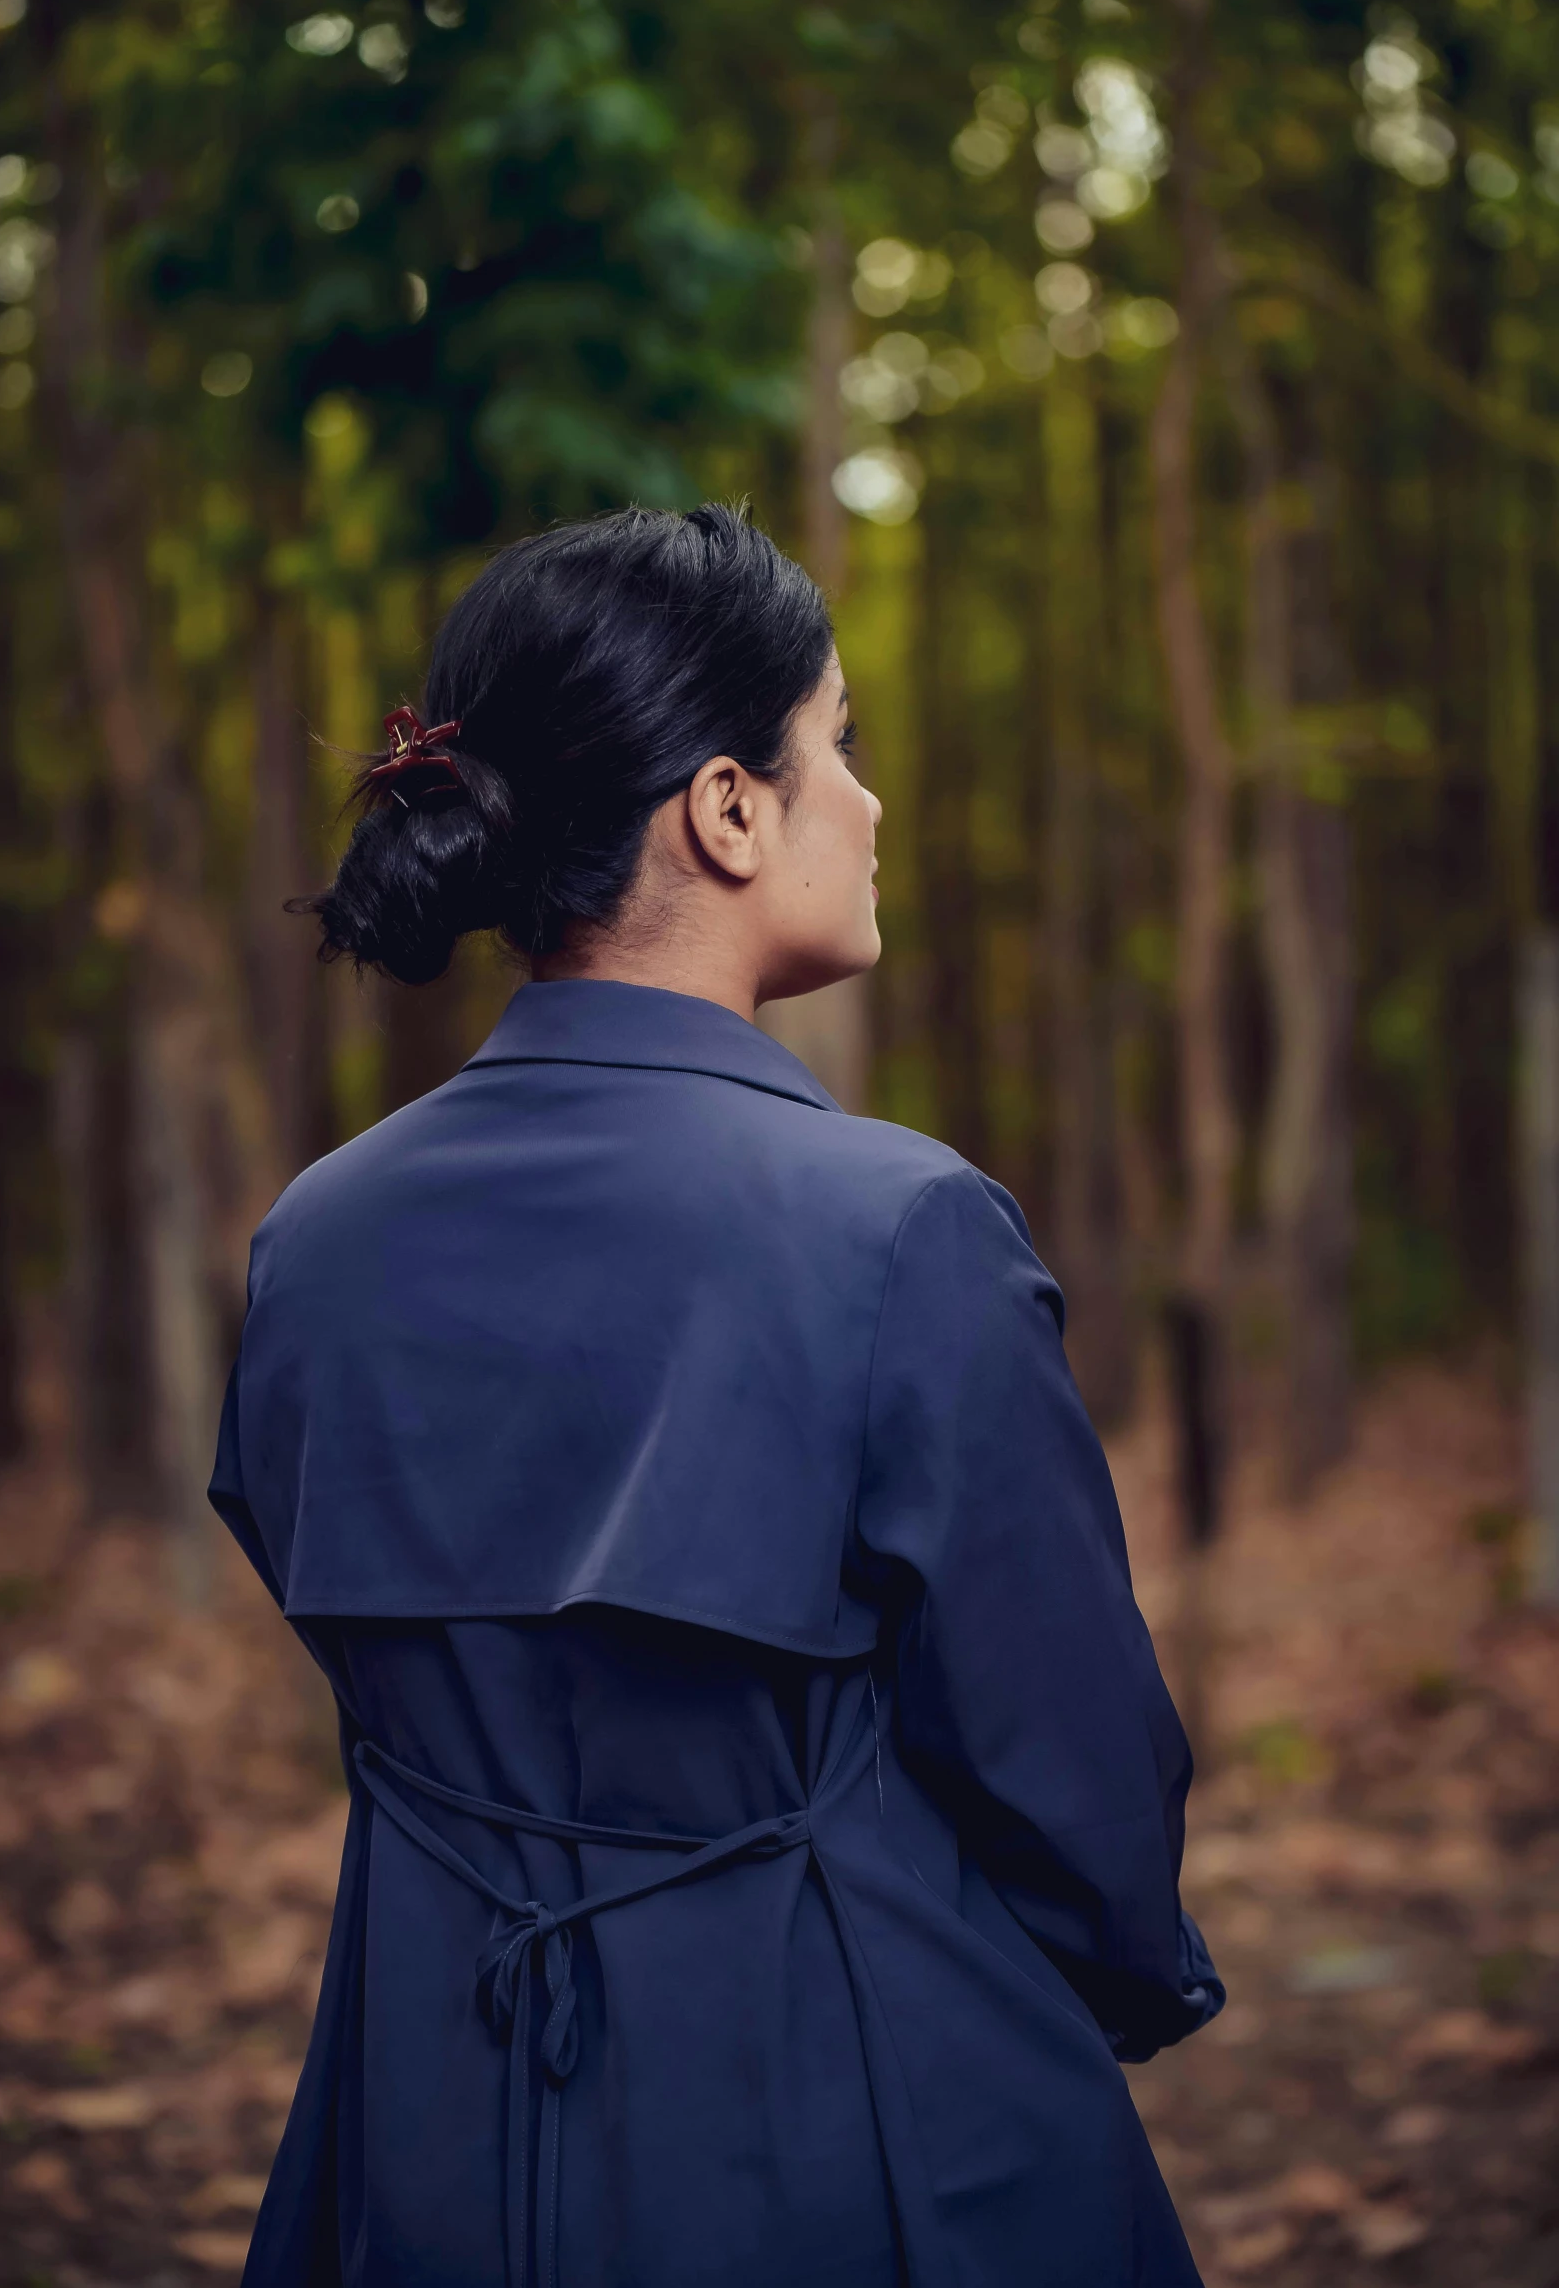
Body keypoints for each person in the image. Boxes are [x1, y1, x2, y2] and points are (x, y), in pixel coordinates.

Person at [210, 502, 1223, 2288]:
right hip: (857, 2109)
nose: (874, 801)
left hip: (424, 2125)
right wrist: (1118, 1988)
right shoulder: (903, 1228)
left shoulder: (313, 1241)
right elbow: (1073, 1765)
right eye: (840, 741)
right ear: (729, 807)